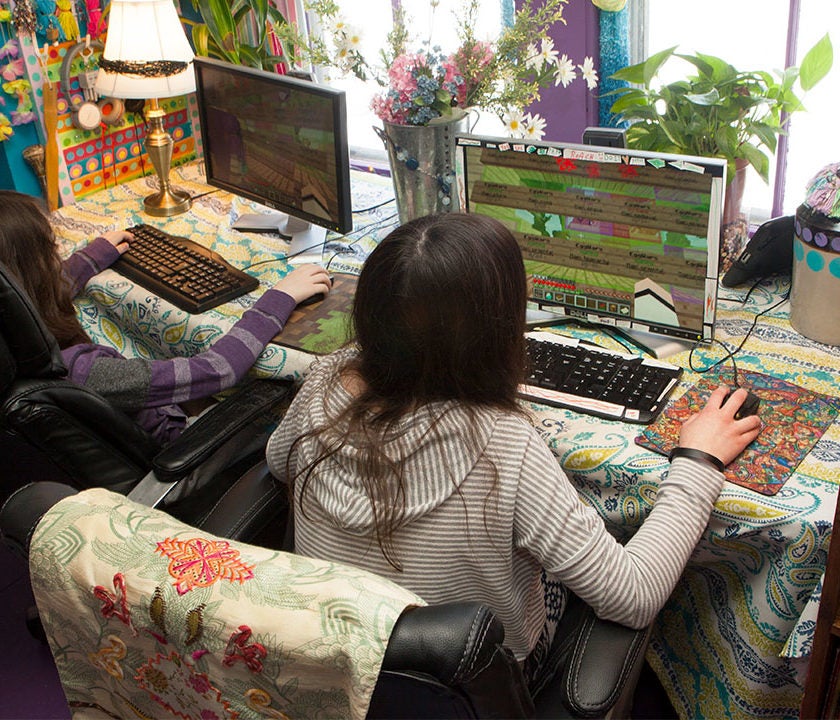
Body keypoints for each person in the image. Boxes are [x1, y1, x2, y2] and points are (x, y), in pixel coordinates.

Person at [265, 212, 761, 688]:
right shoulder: (504, 444)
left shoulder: (325, 380)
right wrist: (699, 462)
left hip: (335, 667)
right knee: (583, 547)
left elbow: (276, 460)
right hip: (470, 686)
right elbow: (632, 597)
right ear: (500, 331)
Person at [0, 190, 331, 444]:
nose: (60, 256)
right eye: (52, 249)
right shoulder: (86, 372)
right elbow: (218, 370)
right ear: (34, 274)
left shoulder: (14, 338)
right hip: (178, 445)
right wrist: (278, 299)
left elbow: (34, 294)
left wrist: (92, 255)